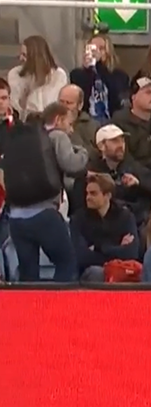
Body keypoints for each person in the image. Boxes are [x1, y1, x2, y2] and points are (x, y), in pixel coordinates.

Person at [2, 103, 88, 282]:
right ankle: (56, 308)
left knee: (28, 273)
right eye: (69, 124)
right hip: (44, 214)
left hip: (16, 218)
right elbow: (72, 165)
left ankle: (31, 309)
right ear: (58, 120)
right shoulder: (57, 136)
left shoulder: (23, 141)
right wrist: (82, 151)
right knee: (67, 263)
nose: (70, 130)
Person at [69, 172, 139, 283]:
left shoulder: (125, 216)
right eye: (87, 193)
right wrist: (117, 248)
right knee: (98, 273)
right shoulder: (78, 219)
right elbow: (82, 257)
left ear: (107, 195)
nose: (88, 197)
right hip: (89, 274)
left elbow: (132, 253)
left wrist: (99, 248)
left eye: (93, 194)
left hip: (120, 270)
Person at [110, 77, 151, 168]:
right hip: (131, 176)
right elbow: (124, 160)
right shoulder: (118, 123)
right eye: (148, 92)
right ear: (133, 97)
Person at [67, 34, 128, 125]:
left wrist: (99, 65)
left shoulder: (119, 76)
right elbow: (82, 96)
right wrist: (89, 69)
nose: (96, 52)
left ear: (108, 52)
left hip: (111, 121)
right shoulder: (77, 75)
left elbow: (116, 97)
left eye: (101, 48)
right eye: (93, 48)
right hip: (86, 122)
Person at [8, 35, 70, 119]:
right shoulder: (15, 74)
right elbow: (14, 107)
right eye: (21, 54)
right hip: (26, 123)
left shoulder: (58, 75)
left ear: (37, 57)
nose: (21, 58)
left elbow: (60, 104)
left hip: (51, 122)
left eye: (25, 55)